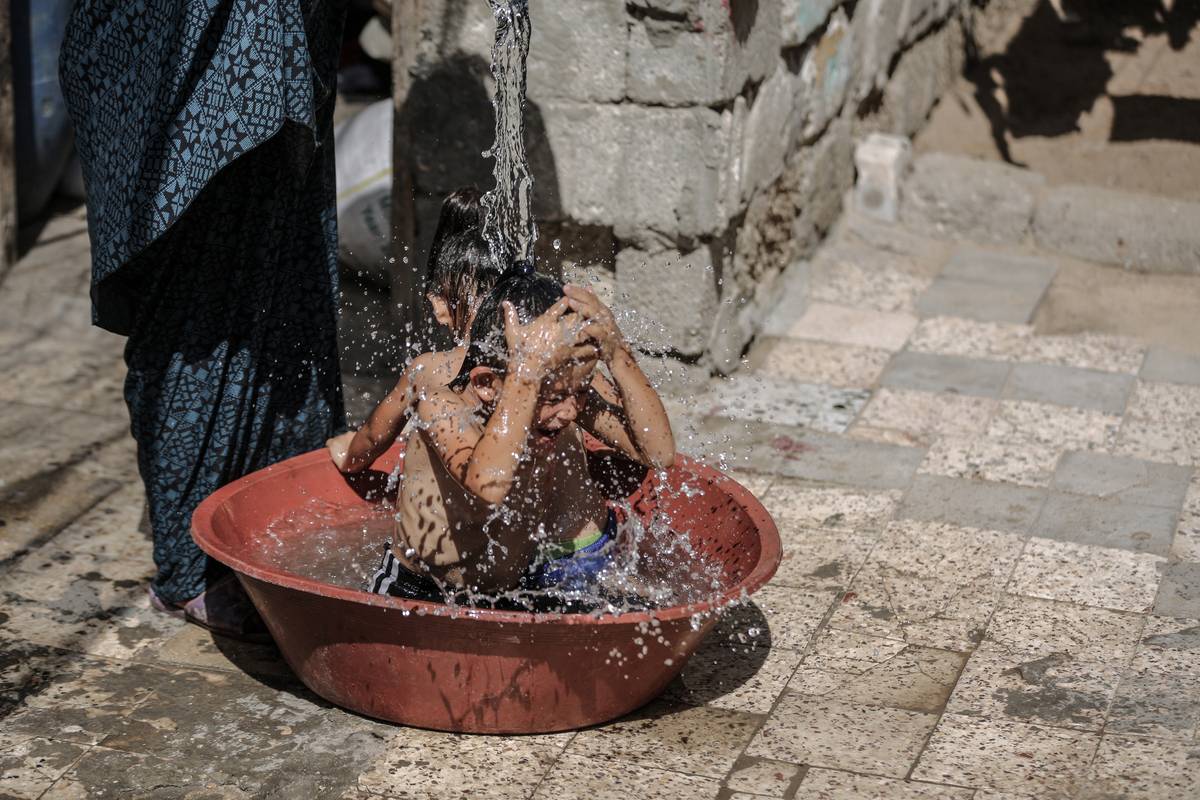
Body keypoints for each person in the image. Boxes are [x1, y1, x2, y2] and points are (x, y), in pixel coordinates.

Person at [59, 1, 348, 639]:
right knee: (190, 314)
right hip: (175, 67)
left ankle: (271, 520)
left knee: (280, 287)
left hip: (272, 57)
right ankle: (188, 563)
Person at [368, 262, 676, 601]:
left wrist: (617, 353)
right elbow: (487, 486)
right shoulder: (441, 406)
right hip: (422, 590)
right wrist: (526, 376)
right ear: (487, 384)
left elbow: (658, 453)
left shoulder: (563, 385)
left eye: (582, 391)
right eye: (554, 397)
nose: (572, 411)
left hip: (513, 586)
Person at [327, 190, 499, 474]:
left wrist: (347, 455)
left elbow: (373, 436)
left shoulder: (430, 371)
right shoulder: (530, 362)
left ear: (438, 305)